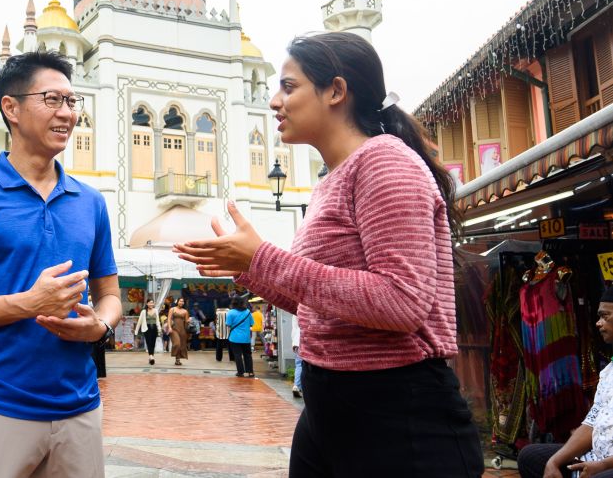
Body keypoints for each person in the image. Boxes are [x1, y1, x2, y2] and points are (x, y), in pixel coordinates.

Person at [174, 32, 482, 476]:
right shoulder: (331, 180)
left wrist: (263, 258)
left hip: (396, 415)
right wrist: (248, 269)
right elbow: (320, 305)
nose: (275, 102)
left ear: (336, 91)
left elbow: (401, 302)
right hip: (330, 405)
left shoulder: (384, 163)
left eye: (289, 87)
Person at [0, 51, 121, 478]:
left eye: (72, 101)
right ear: (10, 108)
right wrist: (29, 303)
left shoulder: (91, 203)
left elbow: (110, 295)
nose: (67, 113)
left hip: (80, 410)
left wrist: (100, 325)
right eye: (52, 99)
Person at [517, 287, 613, 478]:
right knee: (530, 457)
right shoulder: (609, 372)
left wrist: (602, 465)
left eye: (605, 316)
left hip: (607, 464)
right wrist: (554, 461)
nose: (598, 323)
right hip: (597, 458)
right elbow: (591, 423)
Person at [226, 299, 254, 378]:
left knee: (237, 355)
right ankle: (250, 372)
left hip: (234, 338)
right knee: (248, 355)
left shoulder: (230, 312)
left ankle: (240, 372)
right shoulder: (248, 312)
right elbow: (252, 324)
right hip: (246, 338)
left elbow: (228, 324)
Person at [136, 299, 162, 365]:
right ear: (147, 304)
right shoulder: (143, 311)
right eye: (149, 303)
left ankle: (151, 357)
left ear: (153, 304)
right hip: (146, 329)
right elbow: (139, 321)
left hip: (154, 329)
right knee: (149, 342)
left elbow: (157, 321)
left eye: (152, 303)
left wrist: (159, 328)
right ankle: (151, 356)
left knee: (153, 343)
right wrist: (136, 330)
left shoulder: (156, 311)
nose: (151, 304)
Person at [168, 297, 189, 366]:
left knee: (181, 345)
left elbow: (186, 322)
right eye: (180, 301)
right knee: (177, 344)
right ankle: (173, 354)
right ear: (177, 302)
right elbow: (169, 319)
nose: (181, 302)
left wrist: (188, 321)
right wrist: (169, 327)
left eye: (183, 301)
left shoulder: (185, 311)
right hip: (174, 329)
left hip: (182, 330)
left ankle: (177, 360)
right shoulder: (172, 309)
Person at [291, 312, 304, 398]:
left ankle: (297, 385)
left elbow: (294, 328)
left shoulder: (296, 312)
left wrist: (293, 343)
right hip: (307, 340)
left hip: (297, 341)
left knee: (299, 365)